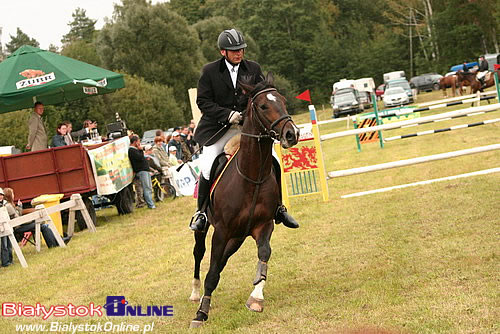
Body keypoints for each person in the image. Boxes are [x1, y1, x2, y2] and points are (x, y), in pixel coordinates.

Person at [189, 28, 299, 232]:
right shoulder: (210, 71)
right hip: (219, 129)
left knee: (273, 161)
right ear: (223, 52)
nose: (239, 53)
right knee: (207, 167)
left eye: (241, 49)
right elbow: (203, 101)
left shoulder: (253, 68)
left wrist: (244, 114)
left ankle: (279, 208)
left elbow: (261, 96)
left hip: (247, 128)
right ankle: (202, 213)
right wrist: (227, 115)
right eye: (234, 50)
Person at [1, 188, 70, 251]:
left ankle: (57, 242)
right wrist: (32, 220)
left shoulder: (9, 205)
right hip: (18, 227)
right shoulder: (9, 206)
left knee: (43, 225)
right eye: (12, 194)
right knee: (43, 226)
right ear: (10, 195)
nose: (14, 195)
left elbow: (17, 214)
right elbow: (18, 220)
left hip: (18, 225)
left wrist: (19, 206)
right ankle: (56, 243)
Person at [128, 135, 156, 209]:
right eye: (138, 142)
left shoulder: (135, 149)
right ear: (135, 142)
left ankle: (150, 202)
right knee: (146, 187)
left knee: (149, 187)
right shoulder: (132, 150)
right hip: (141, 170)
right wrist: (140, 150)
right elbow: (139, 158)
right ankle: (150, 204)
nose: (139, 143)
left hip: (145, 170)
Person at [0, 188, 13, 267]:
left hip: (8, 225)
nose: (0, 197)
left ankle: (10, 260)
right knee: (4, 245)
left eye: (1, 195)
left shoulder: (5, 204)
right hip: (1, 227)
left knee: (9, 244)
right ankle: (5, 262)